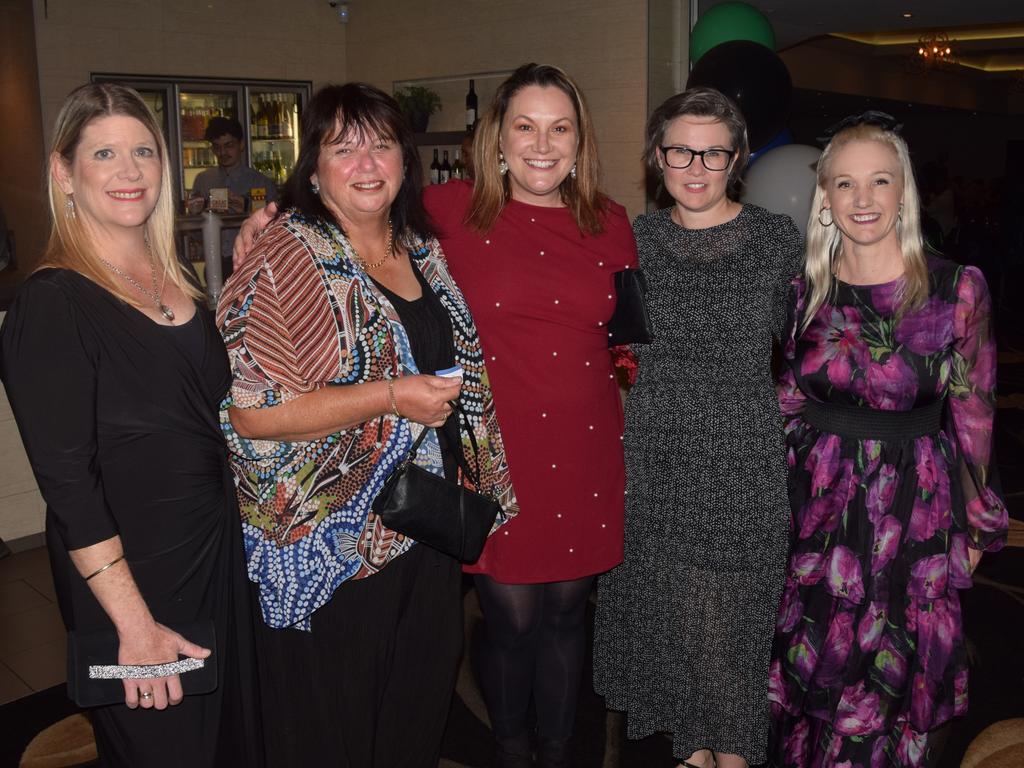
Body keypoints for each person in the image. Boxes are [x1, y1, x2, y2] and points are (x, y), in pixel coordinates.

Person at [233, 63, 638, 768]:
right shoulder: (452, 210)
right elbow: (255, 399)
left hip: (539, 468)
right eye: (525, 127)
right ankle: (511, 752)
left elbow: (628, 339)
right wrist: (265, 220)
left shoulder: (602, 223)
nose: (542, 145)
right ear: (497, 140)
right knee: (498, 625)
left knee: (548, 625)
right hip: (439, 481)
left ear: (580, 141)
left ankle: (557, 752)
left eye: (560, 128)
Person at [216, 82, 517, 767]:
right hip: (331, 544)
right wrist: (389, 396)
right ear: (313, 168)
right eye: (342, 148)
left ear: (406, 162)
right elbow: (252, 413)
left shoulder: (421, 248)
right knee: (335, 725)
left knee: (412, 710)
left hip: (421, 524)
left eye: (380, 145)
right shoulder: (286, 255)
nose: (366, 163)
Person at [0, 83, 261, 767]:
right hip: (132, 580)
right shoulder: (52, 302)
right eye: (105, 153)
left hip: (212, 553)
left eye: (144, 151)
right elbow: (69, 487)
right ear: (64, 173)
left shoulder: (174, 281)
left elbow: (208, 409)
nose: (130, 171)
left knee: (225, 743)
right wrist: (134, 625)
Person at [767, 114, 1007, 767]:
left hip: (914, 513)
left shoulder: (957, 287)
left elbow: (975, 410)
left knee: (887, 693)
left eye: (881, 180)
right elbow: (789, 399)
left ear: (905, 192)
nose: (864, 198)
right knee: (815, 690)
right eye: (846, 183)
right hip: (820, 515)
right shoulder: (800, 293)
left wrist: (978, 522)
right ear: (827, 198)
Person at [593, 87, 804, 768]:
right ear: (657, 156)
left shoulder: (776, 240)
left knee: (731, 662)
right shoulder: (633, 240)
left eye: (714, 152)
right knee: (682, 656)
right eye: (680, 148)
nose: (696, 164)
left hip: (743, 471)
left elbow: (834, 327)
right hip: (655, 473)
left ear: (737, 159)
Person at [186, 116, 277, 273]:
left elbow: (275, 227)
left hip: (251, 263)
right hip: (214, 262)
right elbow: (195, 229)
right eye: (217, 147)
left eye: (229, 145)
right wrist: (196, 213)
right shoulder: (203, 180)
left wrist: (248, 207)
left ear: (241, 144)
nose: (222, 152)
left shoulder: (260, 182)